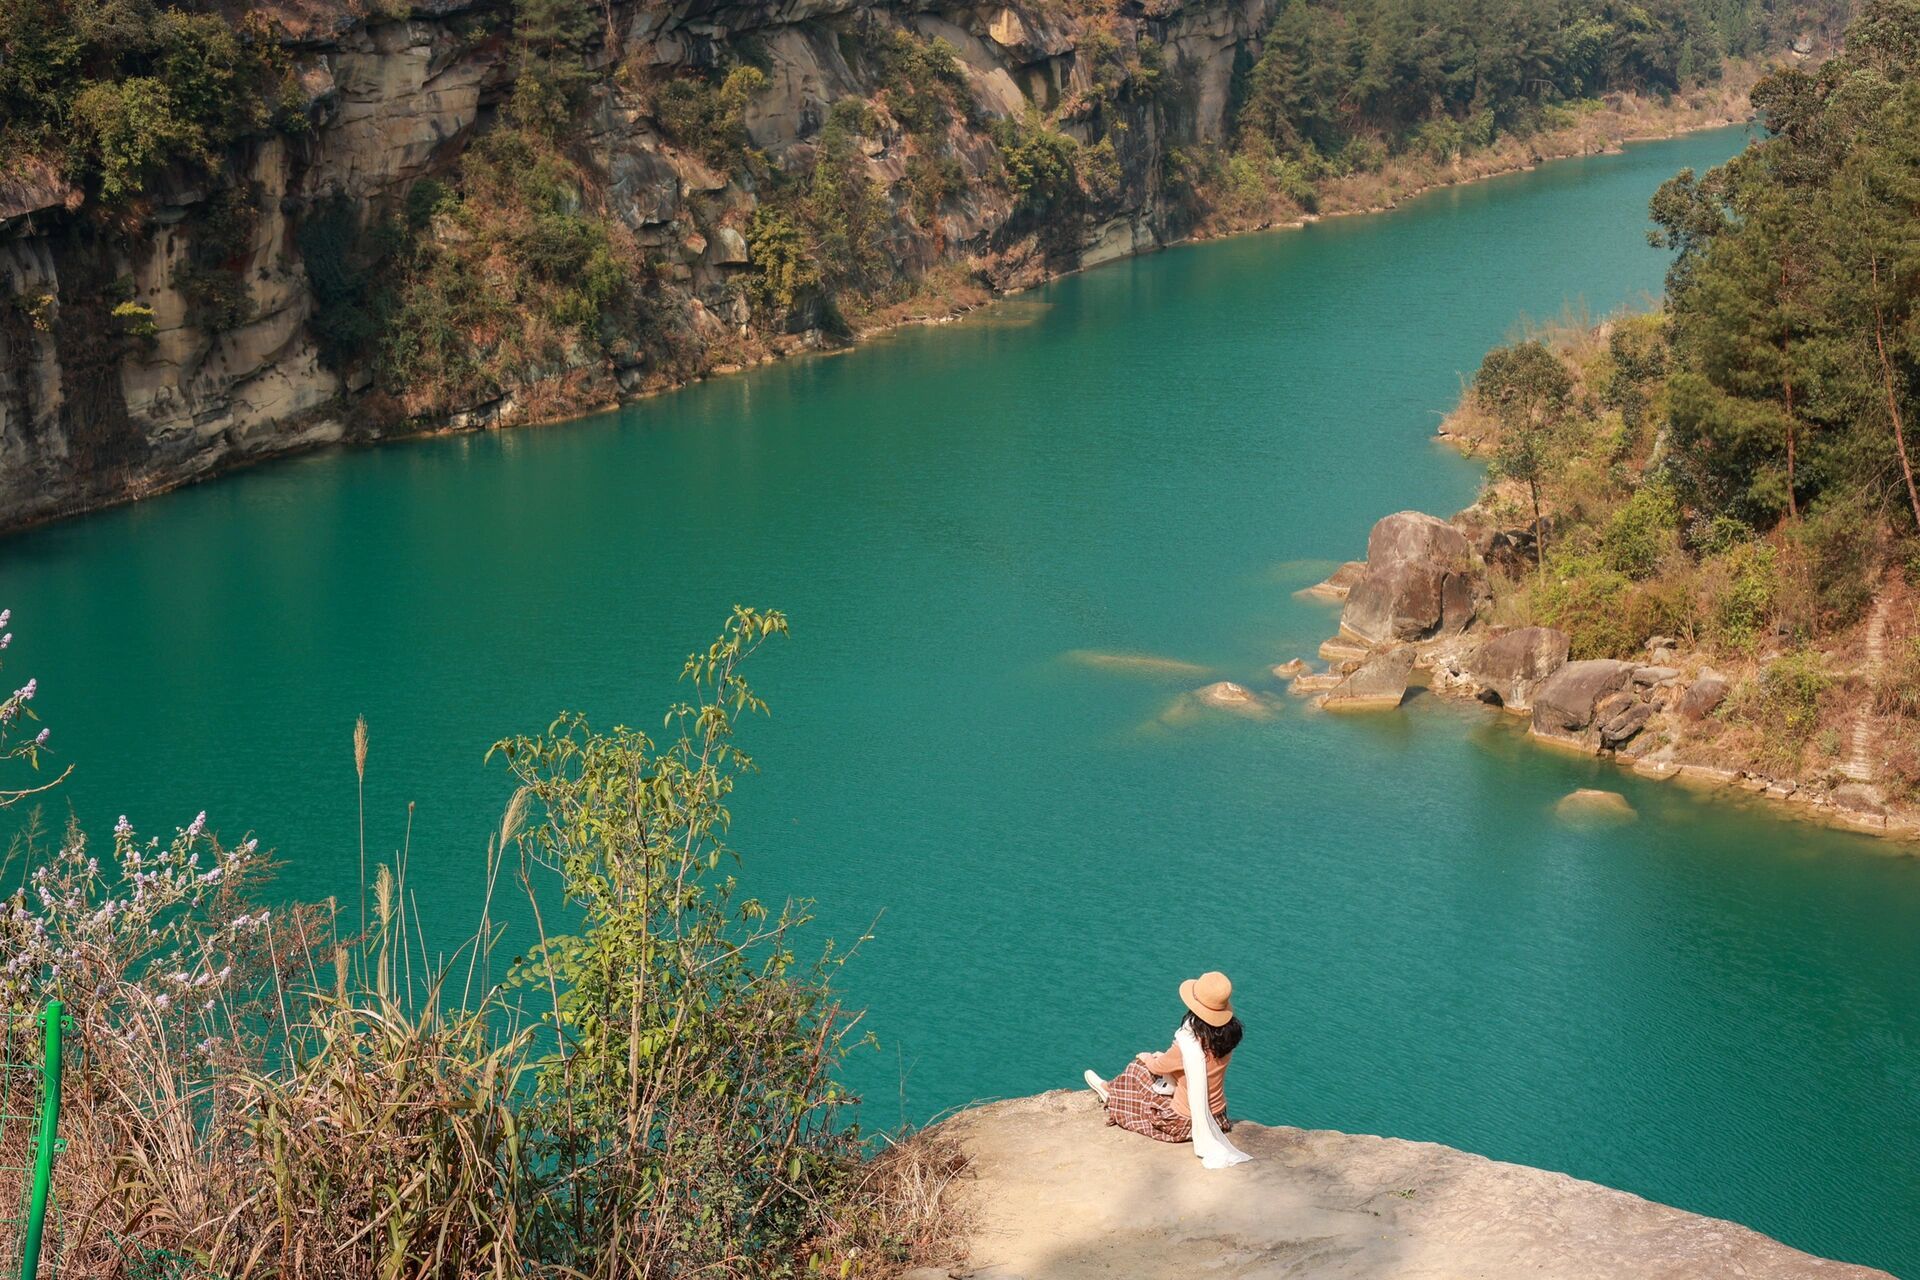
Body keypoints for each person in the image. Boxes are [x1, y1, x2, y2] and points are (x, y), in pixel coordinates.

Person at [1083, 970, 1241, 1143]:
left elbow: (1156, 1067)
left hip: (1183, 1122)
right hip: (1217, 1118)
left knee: (1137, 1068)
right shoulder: (1227, 1041)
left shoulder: (1188, 1045)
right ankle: (1111, 1090)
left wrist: (1147, 1057)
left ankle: (1111, 1093)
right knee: (1159, 1074)